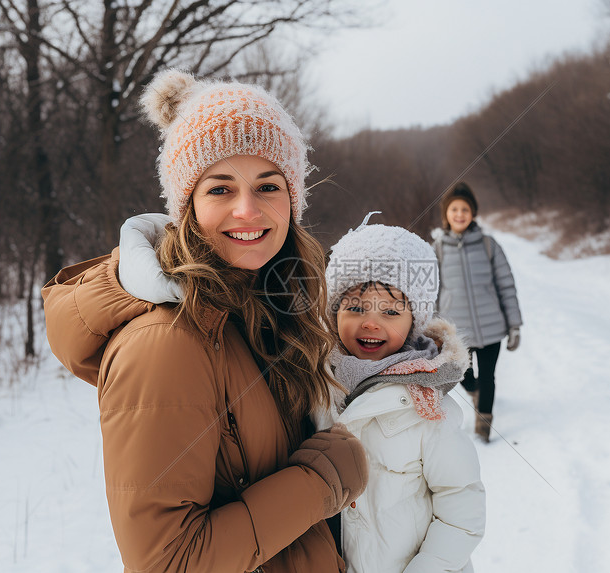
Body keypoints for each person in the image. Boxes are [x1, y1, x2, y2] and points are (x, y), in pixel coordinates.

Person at [41, 69, 368, 573]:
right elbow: (166, 562)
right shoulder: (165, 342)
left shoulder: (268, 307)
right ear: (186, 205)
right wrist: (320, 482)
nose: (247, 209)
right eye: (220, 189)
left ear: (293, 199)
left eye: (268, 185)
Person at [320, 216, 485, 572]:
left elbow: (462, 510)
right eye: (356, 307)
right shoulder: (316, 387)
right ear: (333, 313)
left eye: (391, 311)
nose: (370, 322)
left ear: (414, 321)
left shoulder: (426, 406)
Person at [432, 182, 523, 443]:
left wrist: (514, 325)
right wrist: (432, 332)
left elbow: (506, 284)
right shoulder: (437, 248)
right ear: (446, 214)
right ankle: (474, 391)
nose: (460, 214)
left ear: (473, 213)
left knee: (489, 376)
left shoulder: (488, 245)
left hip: (492, 328)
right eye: (454, 209)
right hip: (458, 332)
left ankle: (483, 427)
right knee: (463, 375)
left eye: (465, 209)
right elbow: (433, 293)